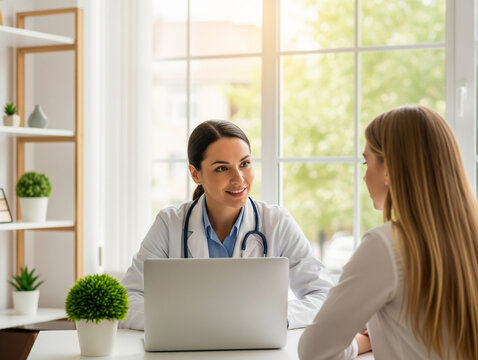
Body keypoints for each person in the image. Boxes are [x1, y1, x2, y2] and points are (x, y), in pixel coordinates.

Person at [298, 105, 478, 359]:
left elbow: (314, 350)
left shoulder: (386, 245)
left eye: (366, 161)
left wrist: (363, 340)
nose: (364, 176)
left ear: (389, 169)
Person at [121, 120, 334, 330]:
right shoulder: (170, 224)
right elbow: (127, 300)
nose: (238, 179)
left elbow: (323, 295)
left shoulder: (276, 222)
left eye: (245, 164)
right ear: (196, 174)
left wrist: (275, 318)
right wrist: (182, 322)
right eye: (222, 168)